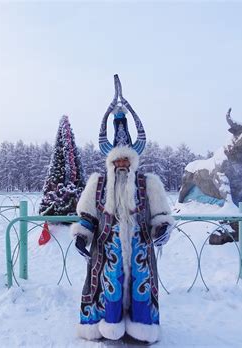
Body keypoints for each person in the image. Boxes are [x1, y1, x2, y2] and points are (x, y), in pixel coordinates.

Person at [71, 75, 174, 343]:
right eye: (117, 162)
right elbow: (88, 215)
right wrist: (82, 235)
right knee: (108, 286)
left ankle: (141, 327)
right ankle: (107, 325)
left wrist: (162, 227)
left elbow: (161, 214)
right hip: (108, 246)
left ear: (133, 161)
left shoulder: (148, 182)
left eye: (126, 161)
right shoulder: (98, 182)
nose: (121, 166)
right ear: (110, 162)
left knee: (140, 287)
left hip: (139, 245)